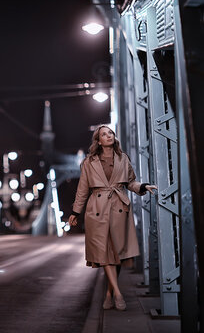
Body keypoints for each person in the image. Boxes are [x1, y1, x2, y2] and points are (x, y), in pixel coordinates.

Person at [67, 125, 157, 311]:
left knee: (116, 254)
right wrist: (75, 212)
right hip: (97, 209)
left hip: (118, 207)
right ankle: (117, 293)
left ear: (114, 137)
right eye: (103, 134)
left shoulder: (123, 158)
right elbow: (82, 189)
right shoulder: (88, 162)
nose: (108, 136)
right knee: (103, 252)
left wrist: (143, 186)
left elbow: (130, 182)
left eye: (110, 133)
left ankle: (108, 294)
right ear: (98, 141)